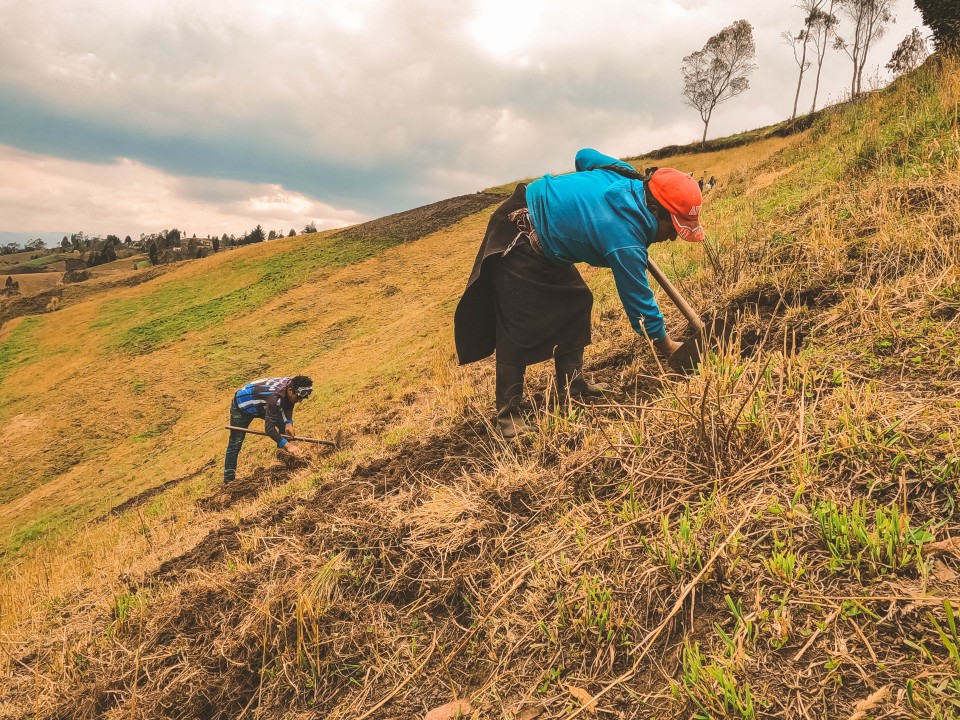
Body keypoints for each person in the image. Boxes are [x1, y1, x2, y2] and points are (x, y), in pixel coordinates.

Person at [454, 148, 705, 438]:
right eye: (673, 227)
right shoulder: (624, 238)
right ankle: (507, 417)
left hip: (548, 243)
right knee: (518, 327)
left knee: (577, 300)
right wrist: (668, 346)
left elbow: (584, 156)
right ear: (657, 211)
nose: (673, 236)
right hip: (518, 232)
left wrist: (620, 168)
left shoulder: (626, 178)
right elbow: (640, 307)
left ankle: (573, 388)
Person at [223, 375, 313, 483]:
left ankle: (287, 461)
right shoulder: (274, 398)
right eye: (298, 398)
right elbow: (269, 429)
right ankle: (229, 480)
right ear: (290, 391)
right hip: (242, 407)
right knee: (235, 442)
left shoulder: (292, 383)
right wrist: (288, 446)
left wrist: (288, 423)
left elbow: (289, 402)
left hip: (263, 403)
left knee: (283, 426)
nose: (300, 401)